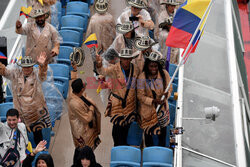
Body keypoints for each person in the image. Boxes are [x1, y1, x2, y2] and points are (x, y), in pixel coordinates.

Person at [0, 52, 51, 146]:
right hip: (20, 112)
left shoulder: (36, 74)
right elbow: (4, 71)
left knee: (38, 136)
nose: (27, 69)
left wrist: (42, 65)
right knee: (21, 137)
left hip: (35, 112)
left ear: (32, 66)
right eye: (24, 67)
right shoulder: (15, 73)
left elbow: (42, 76)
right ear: (21, 67)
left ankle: (40, 153)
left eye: (29, 66)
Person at [95, 48, 139, 146]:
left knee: (127, 126)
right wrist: (99, 63)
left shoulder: (135, 69)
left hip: (130, 103)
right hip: (117, 102)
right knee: (117, 127)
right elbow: (103, 71)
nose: (126, 61)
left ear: (131, 59)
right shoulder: (115, 68)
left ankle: (123, 146)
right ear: (121, 59)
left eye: (128, 59)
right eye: (124, 58)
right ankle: (117, 146)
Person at [137, 51, 172, 147]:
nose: (153, 68)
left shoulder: (164, 74)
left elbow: (170, 88)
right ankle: (149, 154)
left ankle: (160, 154)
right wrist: (153, 101)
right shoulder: (142, 77)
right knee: (148, 135)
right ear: (147, 66)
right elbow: (140, 96)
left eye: (155, 66)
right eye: (151, 66)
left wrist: (166, 95)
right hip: (148, 111)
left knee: (162, 134)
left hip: (162, 110)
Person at [68, 62, 101, 150]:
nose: (86, 84)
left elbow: (73, 81)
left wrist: (75, 70)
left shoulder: (74, 92)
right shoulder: (74, 104)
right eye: (84, 84)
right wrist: (91, 109)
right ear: (82, 89)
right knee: (84, 151)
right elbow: (86, 119)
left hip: (87, 128)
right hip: (82, 131)